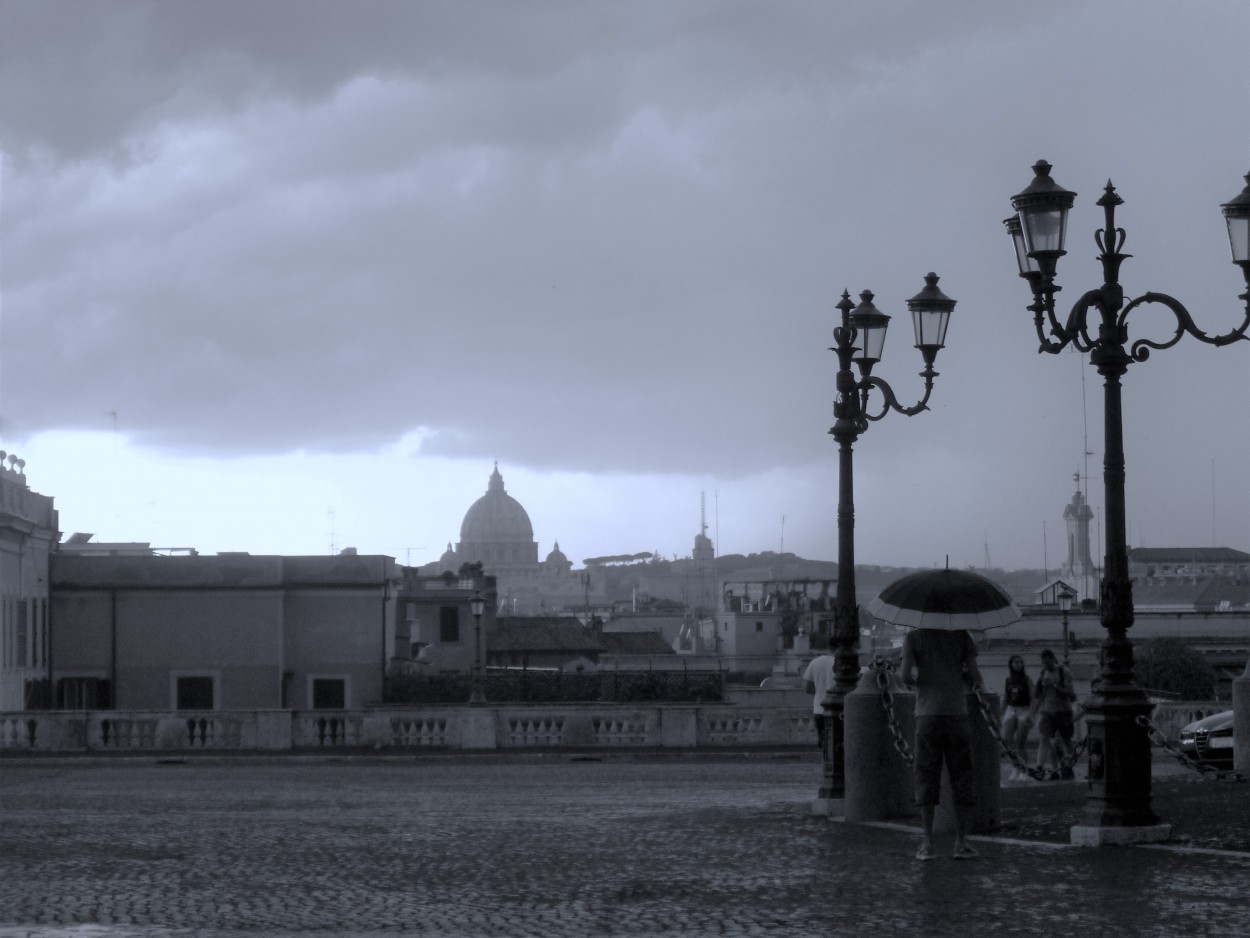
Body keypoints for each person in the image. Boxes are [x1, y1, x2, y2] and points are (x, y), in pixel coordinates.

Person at [901, 627, 984, 861]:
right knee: (962, 777)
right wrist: (959, 675)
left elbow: (905, 675)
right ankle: (961, 842)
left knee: (926, 777)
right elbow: (976, 676)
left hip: (927, 715)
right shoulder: (962, 636)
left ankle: (928, 843)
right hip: (957, 713)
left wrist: (923, 682)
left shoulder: (913, 637)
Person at [1031, 648, 1076, 779]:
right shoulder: (1043, 672)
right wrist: (1039, 685)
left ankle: (1068, 767)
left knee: (1064, 741)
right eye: (1043, 663)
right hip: (1047, 711)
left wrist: (1054, 686)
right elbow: (1037, 696)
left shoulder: (1063, 671)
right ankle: (1042, 767)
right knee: (1045, 739)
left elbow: (1070, 693)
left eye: (1047, 662)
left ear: (1052, 659)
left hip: (1063, 711)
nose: (1045, 665)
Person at [1001, 655, 1033, 780]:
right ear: (1011, 664)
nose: (1018, 664)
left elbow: (1032, 696)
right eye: (1016, 662)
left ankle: (1023, 769)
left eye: (1020, 662)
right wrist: (1001, 713)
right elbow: (1005, 698)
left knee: (1021, 741)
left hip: (1023, 709)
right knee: (1007, 741)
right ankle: (1015, 767)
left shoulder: (1027, 680)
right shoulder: (1008, 680)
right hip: (1011, 709)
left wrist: (1031, 714)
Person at [802, 651, 837, 751]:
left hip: (818, 710)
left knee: (823, 741)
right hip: (835, 709)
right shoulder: (839, 663)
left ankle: (826, 762)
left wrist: (819, 691)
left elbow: (806, 688)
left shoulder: (814, 663)